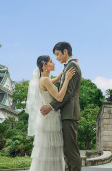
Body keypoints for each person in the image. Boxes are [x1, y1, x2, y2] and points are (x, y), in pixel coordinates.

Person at [26, 55, 76, 171]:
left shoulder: (42, 80)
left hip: (46, 119)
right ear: (45, 66)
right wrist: (67, 79)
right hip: (51, 119)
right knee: (51, 151)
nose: (54, 64)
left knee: (46, 152)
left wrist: (67, 67)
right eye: (51, 62)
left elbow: (55, 80)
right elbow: (59, 97)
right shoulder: (46, 80)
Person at [41, 42, 82, 171]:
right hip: (66, 113)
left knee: (71, 150)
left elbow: (68, 93)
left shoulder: (72, 66)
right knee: (67, 150)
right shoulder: (69, 66)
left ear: (65, 51)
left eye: (58, 54)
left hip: (70, 113)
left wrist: (51, 106)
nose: (57, 58)